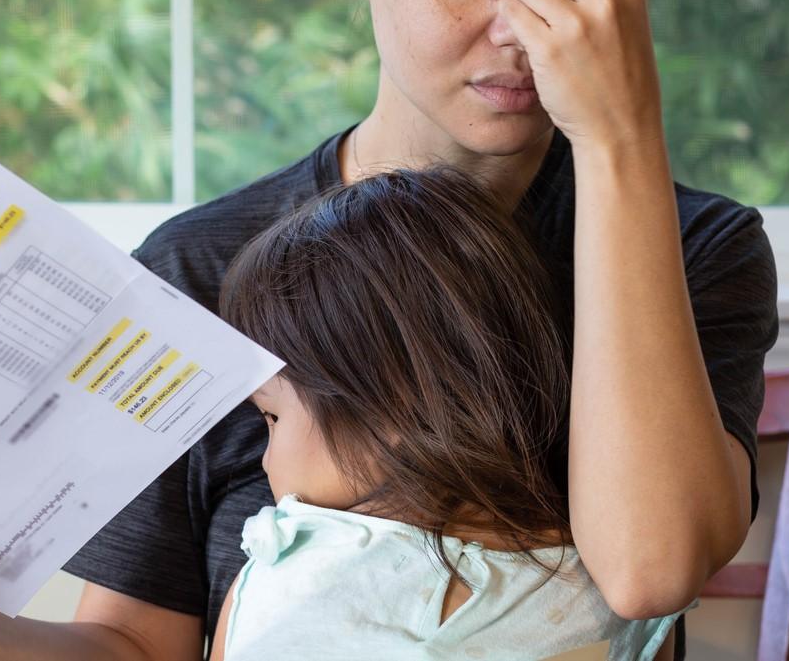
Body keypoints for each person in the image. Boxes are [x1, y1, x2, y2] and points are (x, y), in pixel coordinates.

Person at [0, 0, 777, 660]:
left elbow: (651, 571)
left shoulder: (698, 248)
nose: (520, 31)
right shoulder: (200, 270)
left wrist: (622, 137)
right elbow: (133, 646)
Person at [208, 166, 693, 660]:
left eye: (272, 417)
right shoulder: (617, 580)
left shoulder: (285, 571)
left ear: (387, 407)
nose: (265, 460)